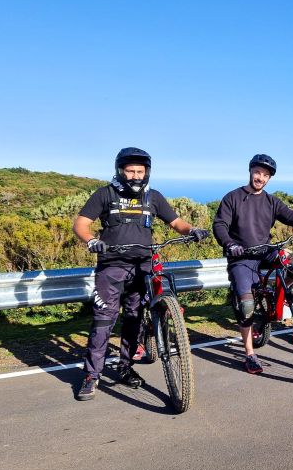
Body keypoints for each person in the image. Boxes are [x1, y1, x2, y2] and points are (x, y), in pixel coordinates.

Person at [72, 147, 211, 401]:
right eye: (130, 170)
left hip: (142, 267)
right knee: (104, 321)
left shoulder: (153, 197)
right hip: (111, 267)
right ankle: (92, 375)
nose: (136, 175)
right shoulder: (105, 194)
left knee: (134, 319)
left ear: (147, 172)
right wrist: (92, 241)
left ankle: (125, 367)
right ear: (120, 171)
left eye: (140, 170)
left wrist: (192, 230)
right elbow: (81, 224)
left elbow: (176, 223)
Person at [212, 154, 293, 374]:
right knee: (246, 306)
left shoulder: (271, 201)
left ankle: (286, 299)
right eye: (258, 173)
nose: (261, 178)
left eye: (265, 175)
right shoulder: (233, 198)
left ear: (269, 179)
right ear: (250, 171)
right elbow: (220, 225)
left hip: (265, 251)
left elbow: (292, 216)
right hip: (241, 257)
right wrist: (229, 243)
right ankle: (250, 353)